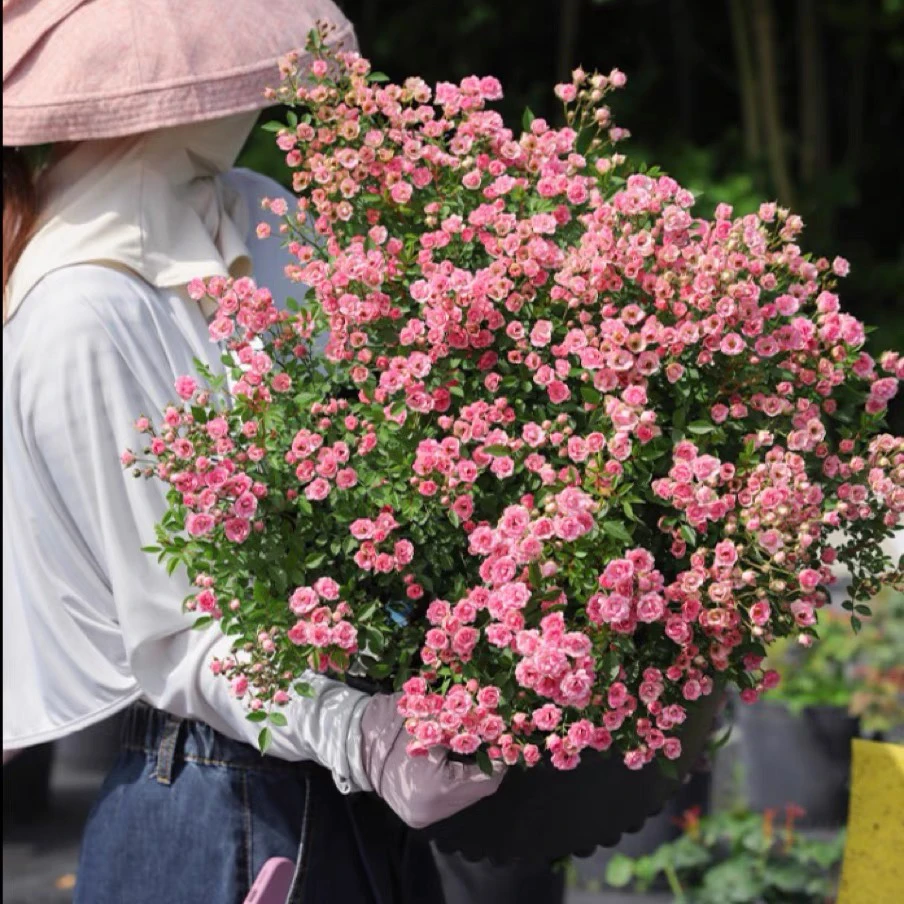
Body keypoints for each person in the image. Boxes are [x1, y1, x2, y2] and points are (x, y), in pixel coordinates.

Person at [1, 3, 502, 902]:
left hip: (345, 790)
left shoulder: (256, 216)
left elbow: (369, 477)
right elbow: (177, 633)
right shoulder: (82, 311)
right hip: (210, 800)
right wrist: (360, 732)